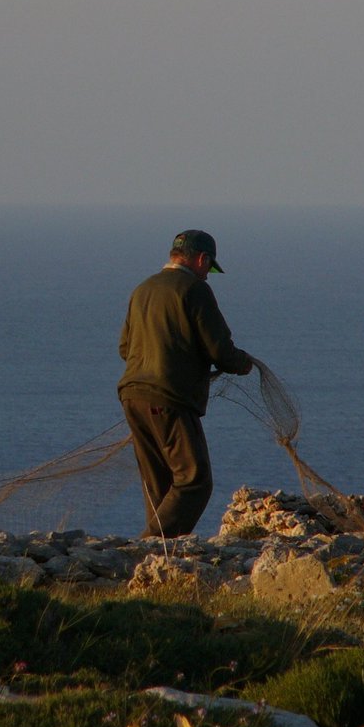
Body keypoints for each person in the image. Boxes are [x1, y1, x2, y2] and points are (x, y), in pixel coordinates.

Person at [118, 229, 254, 538]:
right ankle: (149, 545)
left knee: (159, 484)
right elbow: (220, 350)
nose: (207, 276)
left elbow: (125, 348)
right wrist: (244, 363)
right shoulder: (195, 290)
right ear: (202, 259)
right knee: (195, 480)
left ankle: (159, 562)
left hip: (131, 396)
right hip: (167, 398)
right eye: (208, 268)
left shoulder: (143, 289)